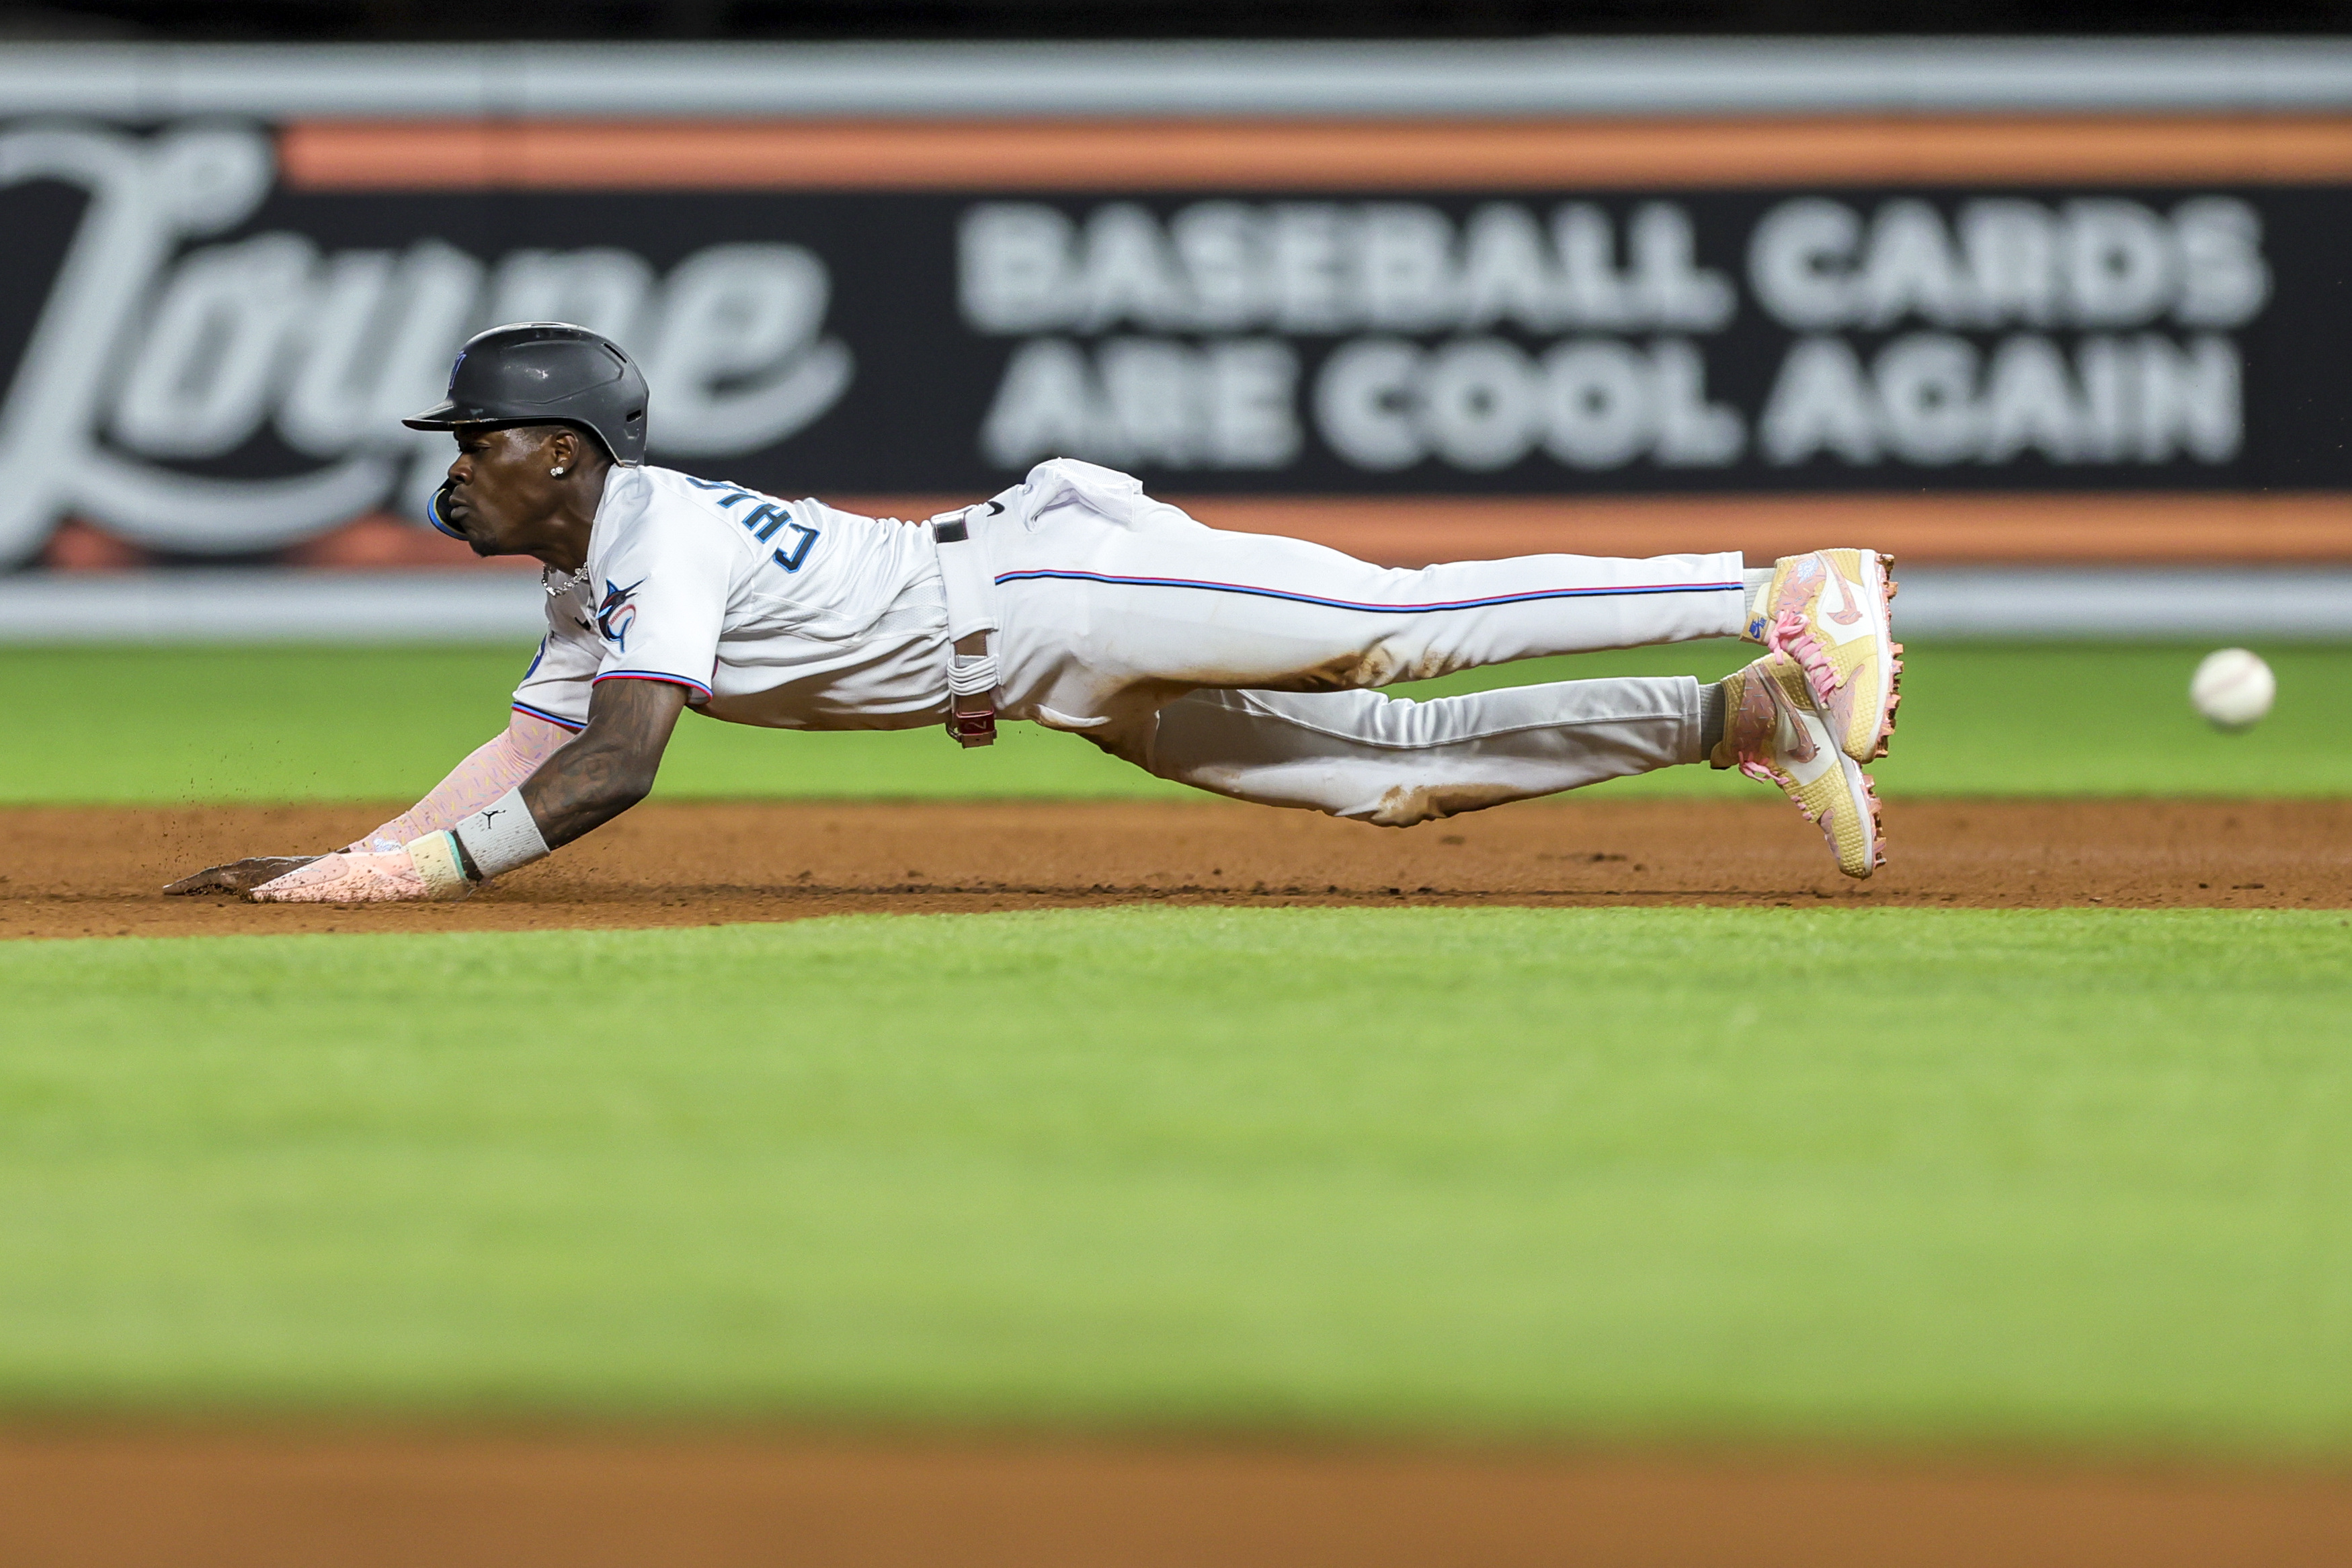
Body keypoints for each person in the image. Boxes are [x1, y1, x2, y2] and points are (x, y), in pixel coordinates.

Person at [166, 323, 1900, 905]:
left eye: (477, 446)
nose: (453, 474)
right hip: (1048, 674)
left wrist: (413, 880)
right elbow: (532, 744)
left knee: (1391, 630)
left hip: (1049, 590)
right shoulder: (591, 565)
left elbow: (613, 773)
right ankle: (1742, 716)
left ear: (561, 448)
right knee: (1388, 777)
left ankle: (1772, 590)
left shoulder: (655, 530)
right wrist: (355, 863)